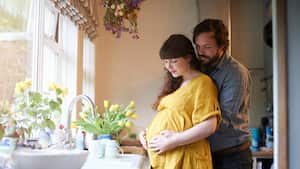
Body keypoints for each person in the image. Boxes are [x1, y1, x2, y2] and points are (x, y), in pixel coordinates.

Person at [139, 34, 221, 169]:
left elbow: (209, 125)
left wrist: (174, 140)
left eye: (173, 61)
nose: (169, 66)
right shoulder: (177, 82)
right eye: (165, 62)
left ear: (188, 57)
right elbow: (176, 117)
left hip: (188, 159)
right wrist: (147, 133)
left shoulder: (203, 83)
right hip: (169, 159)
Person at [192, 18, 252, 169]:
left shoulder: (235, 73)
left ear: (222, 47)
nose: (200, 52)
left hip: (233, 158)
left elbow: (223, 119)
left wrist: (181, 131)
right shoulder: (202, 67)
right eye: (197, 46)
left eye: (207, 47)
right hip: (210, 154)